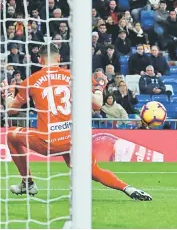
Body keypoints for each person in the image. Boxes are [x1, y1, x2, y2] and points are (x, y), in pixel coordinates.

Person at [1, 44, 152, 201]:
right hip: (74, 139)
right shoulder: (73, 76)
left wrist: (9, 92)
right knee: (93, 171)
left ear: (39, 60)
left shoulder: (32, 80)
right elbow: (97, 105)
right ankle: (128, 188)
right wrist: (100, 87)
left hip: (48, 141)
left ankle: (28, 182)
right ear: (59, 58)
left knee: (11, 134)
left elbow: (11, 109)